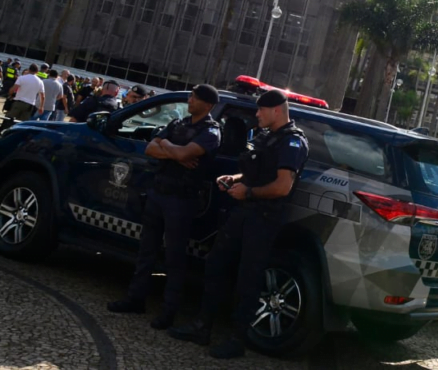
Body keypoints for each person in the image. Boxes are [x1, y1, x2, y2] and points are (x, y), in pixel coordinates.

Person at [170, 89, 308, 359]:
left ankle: (237, 340)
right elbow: (254, 171)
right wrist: (234, 179)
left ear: (276, 110)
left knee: (248, 278)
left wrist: (248, 192)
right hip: (243, 212)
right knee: (216, 264)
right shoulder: (267, 136)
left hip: (264, 218)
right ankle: (202, 326)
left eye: (261, 110)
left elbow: (282, 186)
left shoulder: (292, 142)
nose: (257, 114)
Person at [108, 84, 222, 329]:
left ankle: (169, 311)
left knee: (174, 258)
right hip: (158, 193)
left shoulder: (211, 132)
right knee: (146, 251)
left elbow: (183, 153)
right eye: (190, 96)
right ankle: (135, 299)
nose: (190, 100)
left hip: (181, 200)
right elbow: (152, 147)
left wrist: (168, 147)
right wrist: (175, 152)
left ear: (208, 105)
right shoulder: (178, 123)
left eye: (195, 97)